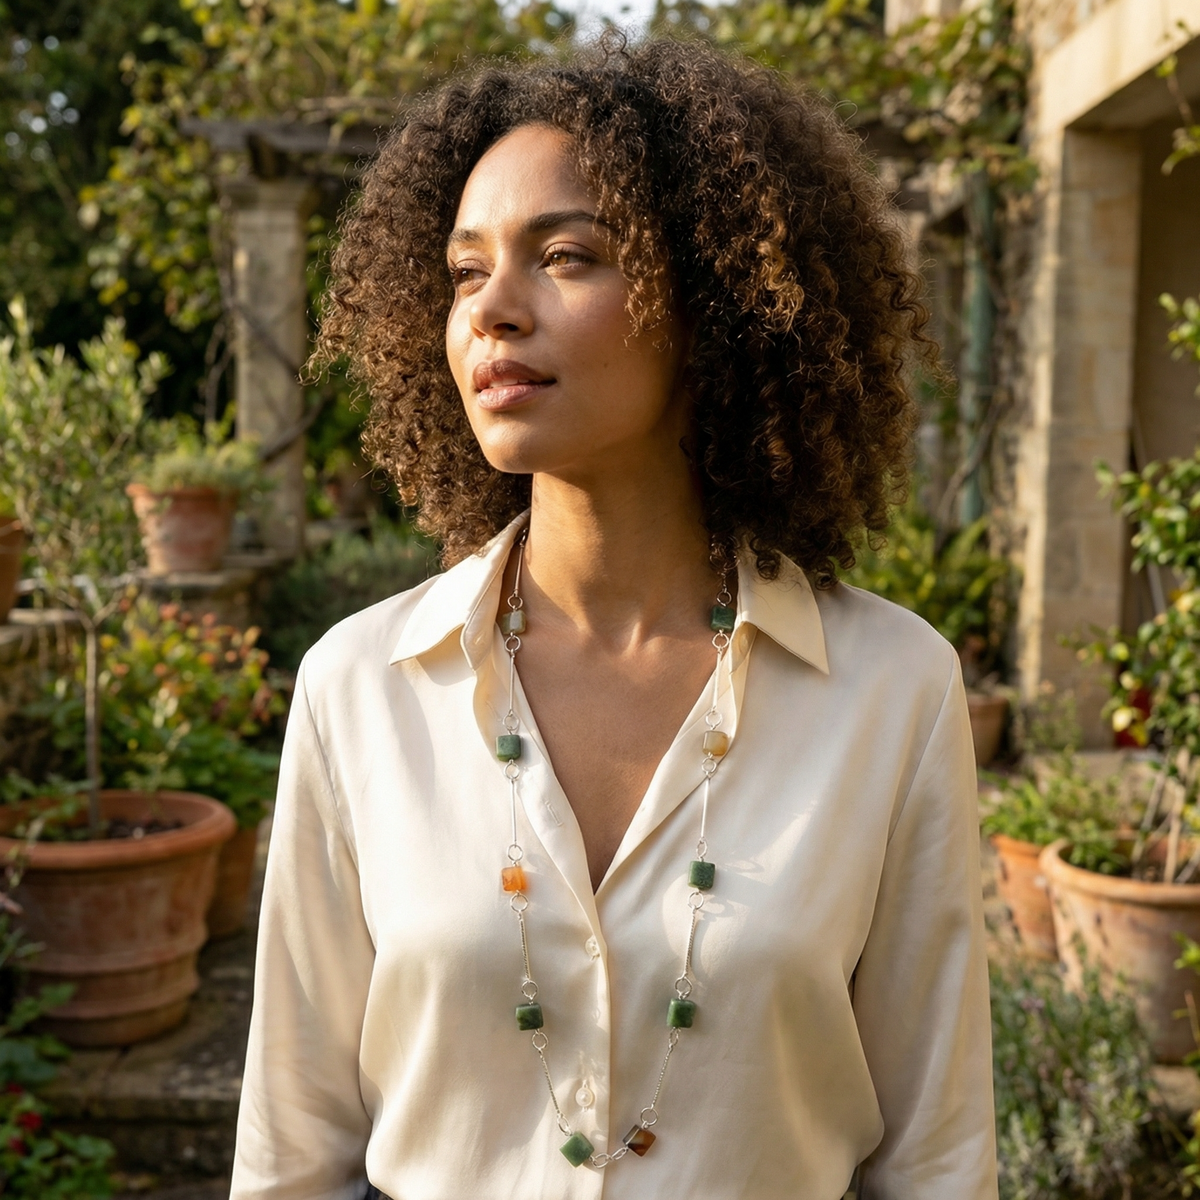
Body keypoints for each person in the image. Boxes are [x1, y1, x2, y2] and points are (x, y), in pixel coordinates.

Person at [230, 37, 997, 1200]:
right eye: (463, 271)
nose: (493, 310)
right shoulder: (361, 689)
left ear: (717, 296)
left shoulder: (892, 690)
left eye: (566, 255)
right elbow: (292, 1157)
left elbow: (937, 1161)